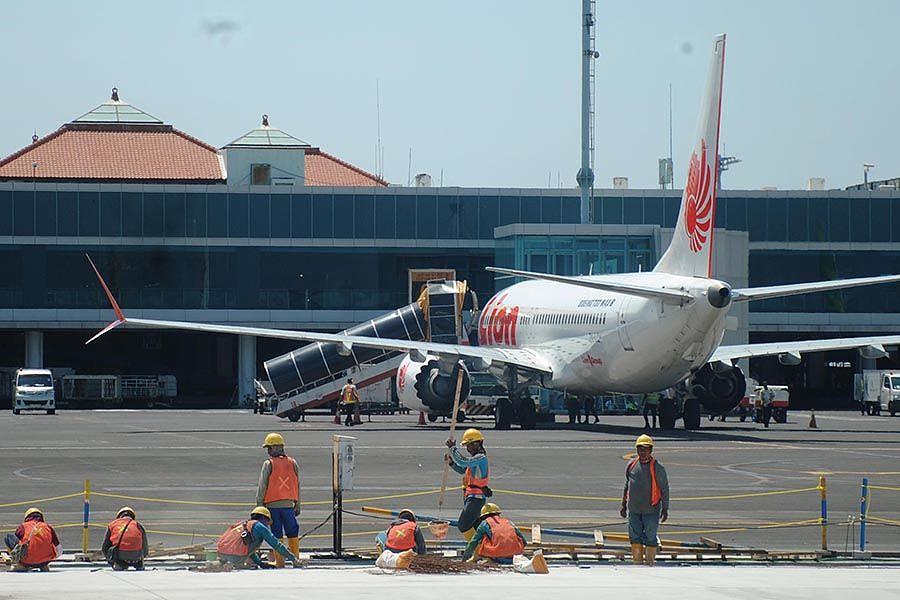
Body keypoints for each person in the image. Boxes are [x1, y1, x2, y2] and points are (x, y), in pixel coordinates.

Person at [620, 434, 669, 566]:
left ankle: (649, 563)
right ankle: (637, 563)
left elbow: (664, 489)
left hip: (651, 510)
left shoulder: (658, 467)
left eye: (646, 449)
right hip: (634, 510)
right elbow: (627, 485)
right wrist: (623, 505)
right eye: (640, 449)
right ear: (637, 450)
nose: (643, 452)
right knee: (634, 538)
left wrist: (665, 508)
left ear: (651, 450)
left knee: (650, 537)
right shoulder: (631, 465)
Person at [257, 432, 301, 568]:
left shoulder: (268, 464)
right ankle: (296, 560)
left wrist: (259, 506)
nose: (268, 451)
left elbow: (262, 486)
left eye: (269, 448)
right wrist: (298, 504)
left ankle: (280, 562)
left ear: (277, 447)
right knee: (292, 532)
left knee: (276, 533)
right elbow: (297, 484)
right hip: (289, 506)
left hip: (272, 506)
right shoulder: (293, 463)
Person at [216, 506, 297, 569]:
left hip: (221, 554)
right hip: (235, 556)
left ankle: (224, 563)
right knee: (258, 541)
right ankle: (236, 564)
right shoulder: (259, 526)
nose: (267, 525)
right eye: (267, 522)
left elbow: (247, 546)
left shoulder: (244, 524)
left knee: (251, 540)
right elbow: (276, 545)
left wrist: (260, 563)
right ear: (264, 518)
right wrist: (293, 559)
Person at [445, 428, 490, 540]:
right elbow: (462, 469)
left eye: (469, 445)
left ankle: (475, 546)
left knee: (463, 525)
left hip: (476, 498)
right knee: (475, 525)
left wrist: (453, 448)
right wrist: (451, 463)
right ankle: (483, 546)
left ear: (477, 443)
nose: (467, 448)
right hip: (470, 496)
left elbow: (463, 462)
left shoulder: (481, 458)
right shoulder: (475, 459)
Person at [462, 503, 526, 564]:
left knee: (484, 537)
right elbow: (524, 541)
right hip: (515, 556)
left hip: (497, 557)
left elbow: (474, 541)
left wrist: (465, 557)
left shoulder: (484, 524)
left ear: (483, 516)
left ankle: (488, 558)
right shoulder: (509, 522)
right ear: (498, 513)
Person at [4, 507, 61, 572]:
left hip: (26, 561)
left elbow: (17, 546)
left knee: (8, 538)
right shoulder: (48, 527)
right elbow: (59, 550)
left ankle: (20, 565)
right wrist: (48, 558)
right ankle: (43, 566)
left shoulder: (23, 526)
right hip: (45, 561)